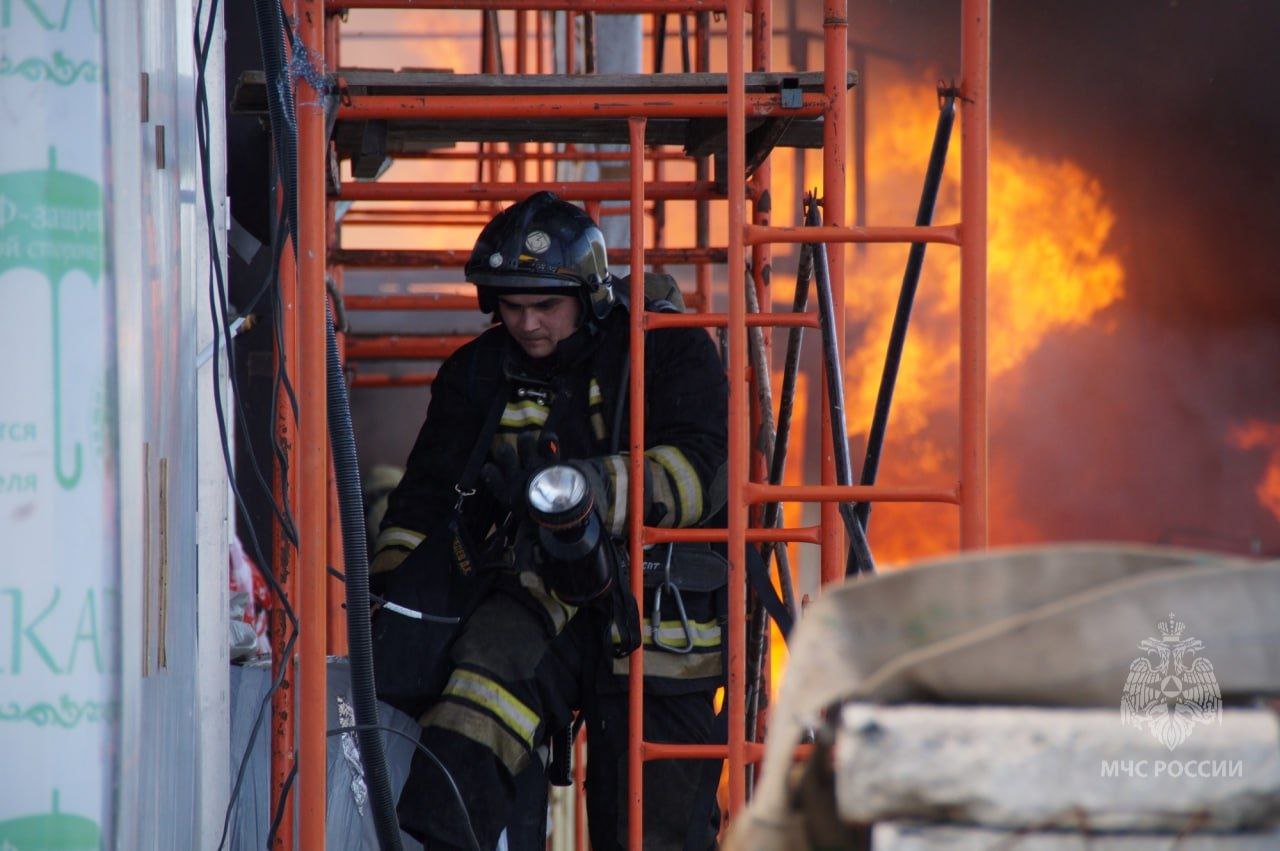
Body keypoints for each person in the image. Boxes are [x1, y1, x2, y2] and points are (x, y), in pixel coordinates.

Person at [373, 192, 728, 850]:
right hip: (532, 603)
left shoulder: (666, 351)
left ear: (590, 296)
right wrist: (402, 593)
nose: (529, 325)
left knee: (654, 828)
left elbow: (701, 472)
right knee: (466, 734)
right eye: (512, 306)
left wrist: (587, 488)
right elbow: (422, 497)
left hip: (657, 619)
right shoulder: (479, 373)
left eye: (546, 306)